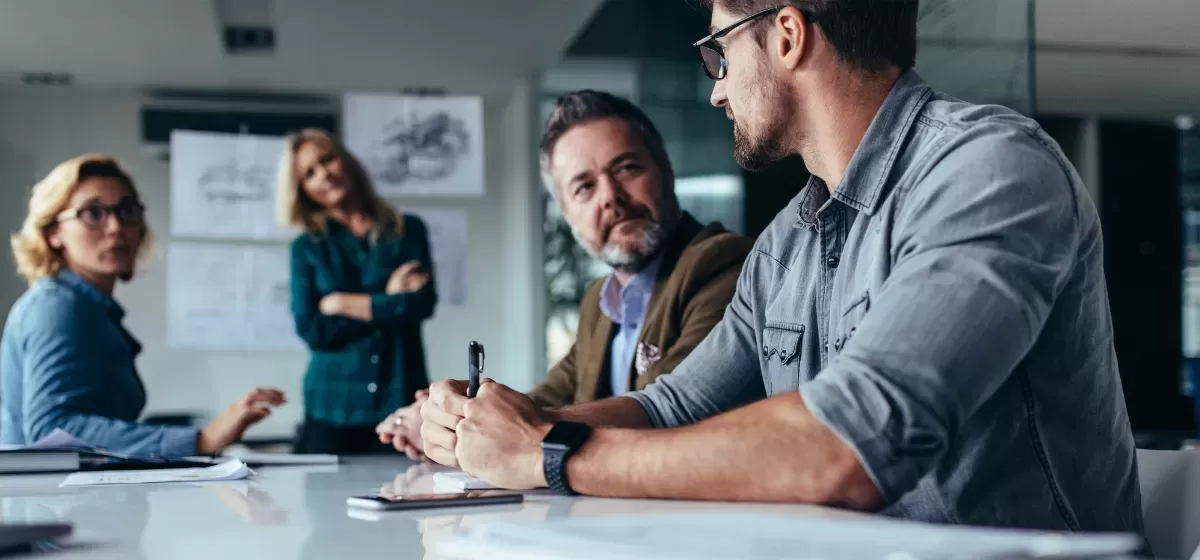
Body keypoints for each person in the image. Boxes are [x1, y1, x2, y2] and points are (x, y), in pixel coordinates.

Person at [416, 0, 1144, 533]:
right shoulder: (786, 242)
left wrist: (549, 455)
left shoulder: (989, 170)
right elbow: (672, 407)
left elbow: (847, 447)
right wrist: (493, 429)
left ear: (788, 35)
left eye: (720, 52)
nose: (717, 88)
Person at [377, 91, 753, 459]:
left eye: (627, 169)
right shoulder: (599, 302)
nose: (609, 197)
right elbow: (548, 397)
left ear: (666, 170)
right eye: (584, 187)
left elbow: (675, 409)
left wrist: (491, 428)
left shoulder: (720, 265)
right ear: (566, 212)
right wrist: (452, 415)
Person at [0, 154, 286, 456]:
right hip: (45, 501)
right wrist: (200, 440)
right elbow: (50, 428)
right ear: (53, 233)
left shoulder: (91, 310)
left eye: (127, 211)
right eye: (93, 213)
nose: (116, 227)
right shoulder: (57, 307)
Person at [278, 128, 436, 455]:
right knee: (319, 505)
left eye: (327, 160)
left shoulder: (408, 231)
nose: (324, 174)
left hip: (400, 399)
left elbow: (420, 305)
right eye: (309, 173)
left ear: (346, 161)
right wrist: (389, 298)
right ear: (302, 190)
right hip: (331, 407)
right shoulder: (307, 248)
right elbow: (313, 329)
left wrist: (341, 303)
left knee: (408, 497)